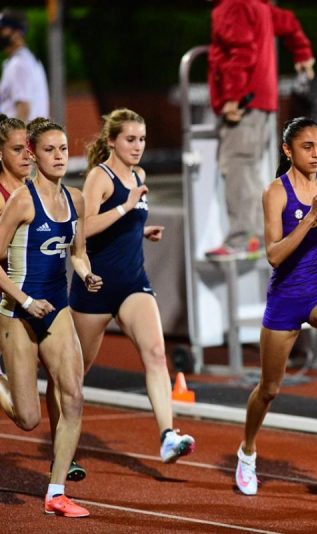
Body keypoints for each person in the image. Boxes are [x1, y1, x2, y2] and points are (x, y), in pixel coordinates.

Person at [57, 108, 195, 469]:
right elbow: (81, 231)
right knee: (74, 374)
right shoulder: (99, 179)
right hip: (95, 286)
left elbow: (126, 222)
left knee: (154, 353)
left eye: (142, 139)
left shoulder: (140, 174)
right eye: (131, 139)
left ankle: (167, 436)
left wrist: (140, 229)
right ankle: (62, 452)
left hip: (133, 283)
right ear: (112, 141)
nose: (138, 146)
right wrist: (126, 208)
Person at [234, 117, 317, 496]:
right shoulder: (276, 192)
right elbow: (274, 255)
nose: (316, 154)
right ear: (288, 150)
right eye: (308, 147)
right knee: (270, 389)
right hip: (287, 298)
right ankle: (247, 451)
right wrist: (309, 217)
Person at [0, 117, 101, 518]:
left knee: (73, 395)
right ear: (33, 154)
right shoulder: (21, 202)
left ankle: (56, 492)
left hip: (57, 307)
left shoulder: (76, 200)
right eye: (49, 150)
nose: (59, 157)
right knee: (27, 418)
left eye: (63, 149)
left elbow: (77, 252)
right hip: (17, 312)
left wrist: (86, 273)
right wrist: (25, 300)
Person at [206, 0, 315, 259]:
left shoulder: (233, 6)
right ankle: (257, 235)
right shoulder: (257, 5)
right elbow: (288, 21)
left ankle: (243, 238)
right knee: (248, 168)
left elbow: (241, 52)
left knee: (238, 166)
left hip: (244, 102)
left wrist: (233, 95)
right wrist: (302, 52)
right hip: (261, 101)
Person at [0, 10, 49, 122]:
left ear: (17, 32)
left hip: (19, 136)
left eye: (2, 29)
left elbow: (23, 108)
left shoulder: (19, 64)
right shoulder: (30, 60)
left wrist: (18, 138)